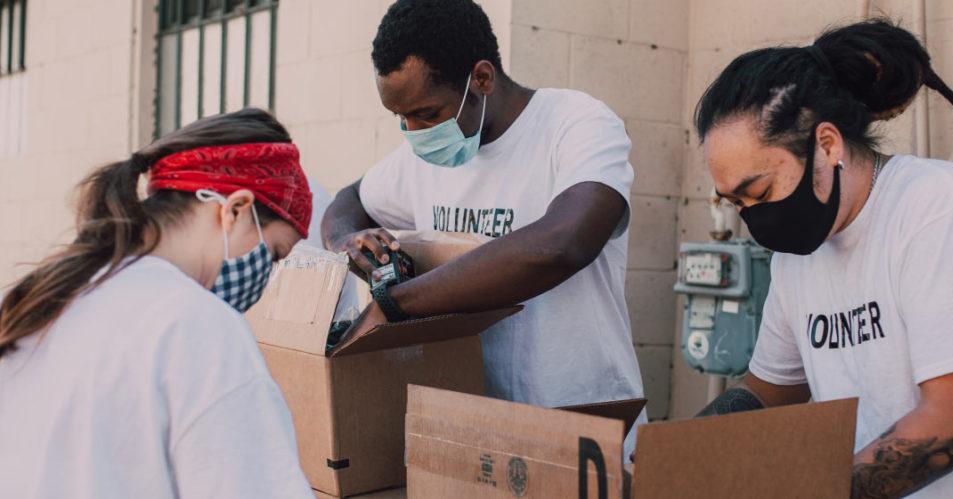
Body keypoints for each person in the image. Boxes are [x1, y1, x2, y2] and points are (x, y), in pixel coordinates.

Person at [693, 20, 953, 498]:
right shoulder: (799, 257)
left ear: (827, 145)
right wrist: (676, 449)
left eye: (759, 191)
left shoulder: (943, 209)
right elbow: (768, 392)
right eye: (735, 203)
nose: (752, 216)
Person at [321, 0, 647, 455]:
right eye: (401, 119)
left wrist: (395, 304)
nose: (413, 133)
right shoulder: (419, 162)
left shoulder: (576, 124)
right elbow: (349, 200)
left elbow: (563, 244)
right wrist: (345, 240)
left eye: (428, 115)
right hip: (476, 432)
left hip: (583, 420)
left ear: (481, 79)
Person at [0, 109, 314, 498]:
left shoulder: (41, 297)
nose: (267, 273)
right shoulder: (198, 328)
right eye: (275, 253)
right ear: (234, 209)